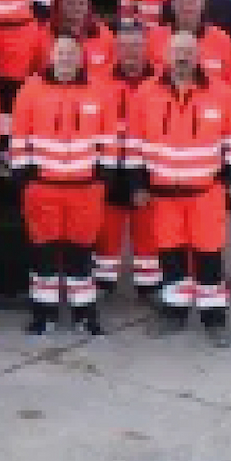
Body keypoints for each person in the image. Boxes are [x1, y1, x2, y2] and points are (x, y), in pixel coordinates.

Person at [126, 31, 231, 343]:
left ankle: (214, 320)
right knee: (171, 256)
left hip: (205, 193)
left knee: (209, 256)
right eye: (177, 51)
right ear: (166, 55)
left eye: (189, 52)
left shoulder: (222, 94)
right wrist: (138, 184)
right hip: (163, 195)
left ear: (198, 56)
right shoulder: (146, 93)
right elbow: (134, 143)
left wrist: (229, 177)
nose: (182, 58)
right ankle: (175, 313)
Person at [11, 36, 111, 337]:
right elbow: (19, 135)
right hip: (43, 187)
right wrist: (23, 174)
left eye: (71, 53)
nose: (66, 58)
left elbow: (107, 136)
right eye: (61, 52)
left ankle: (85, 315)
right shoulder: (31, 90)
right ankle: (44, 315)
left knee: (81, 254)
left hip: (85, 189)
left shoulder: (98, 90)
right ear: (51, 56)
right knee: (43, 254)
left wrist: (102, 173)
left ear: (81, 58)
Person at [92, 24, 162, 296]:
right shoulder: (97, 80)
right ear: (116, 49)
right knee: (107, 231)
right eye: (123, 46)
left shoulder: (161, 80)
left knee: (147, 231)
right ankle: (103, 285)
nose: (129, 51)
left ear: (146, 48)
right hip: (111, 166)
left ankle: (149, 287)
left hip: (147, 167)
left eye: (135, 45)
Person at [148, 0, 231, 85]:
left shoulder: (223, 41)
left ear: (202, 6)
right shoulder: (154, 38)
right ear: (172, 6)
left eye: (192, 2)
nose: (187, 7)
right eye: (181, 2)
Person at [47, 0, 116, 76]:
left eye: (81, 3)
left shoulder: (105, 35)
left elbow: (114, 71)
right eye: (71, 3)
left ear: (88, 7)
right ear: (60, 6)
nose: (76, 9)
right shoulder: (46, 35)